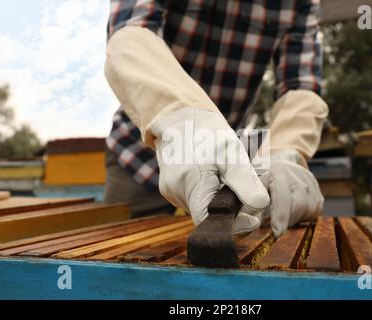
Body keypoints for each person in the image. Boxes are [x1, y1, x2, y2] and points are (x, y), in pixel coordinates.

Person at [104, 0, 328, 238]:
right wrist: (183, 122)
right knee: (119, 263)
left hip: (227, 161)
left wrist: (286, 151)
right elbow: (131, 34)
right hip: (138, 157)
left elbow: (300, 85)